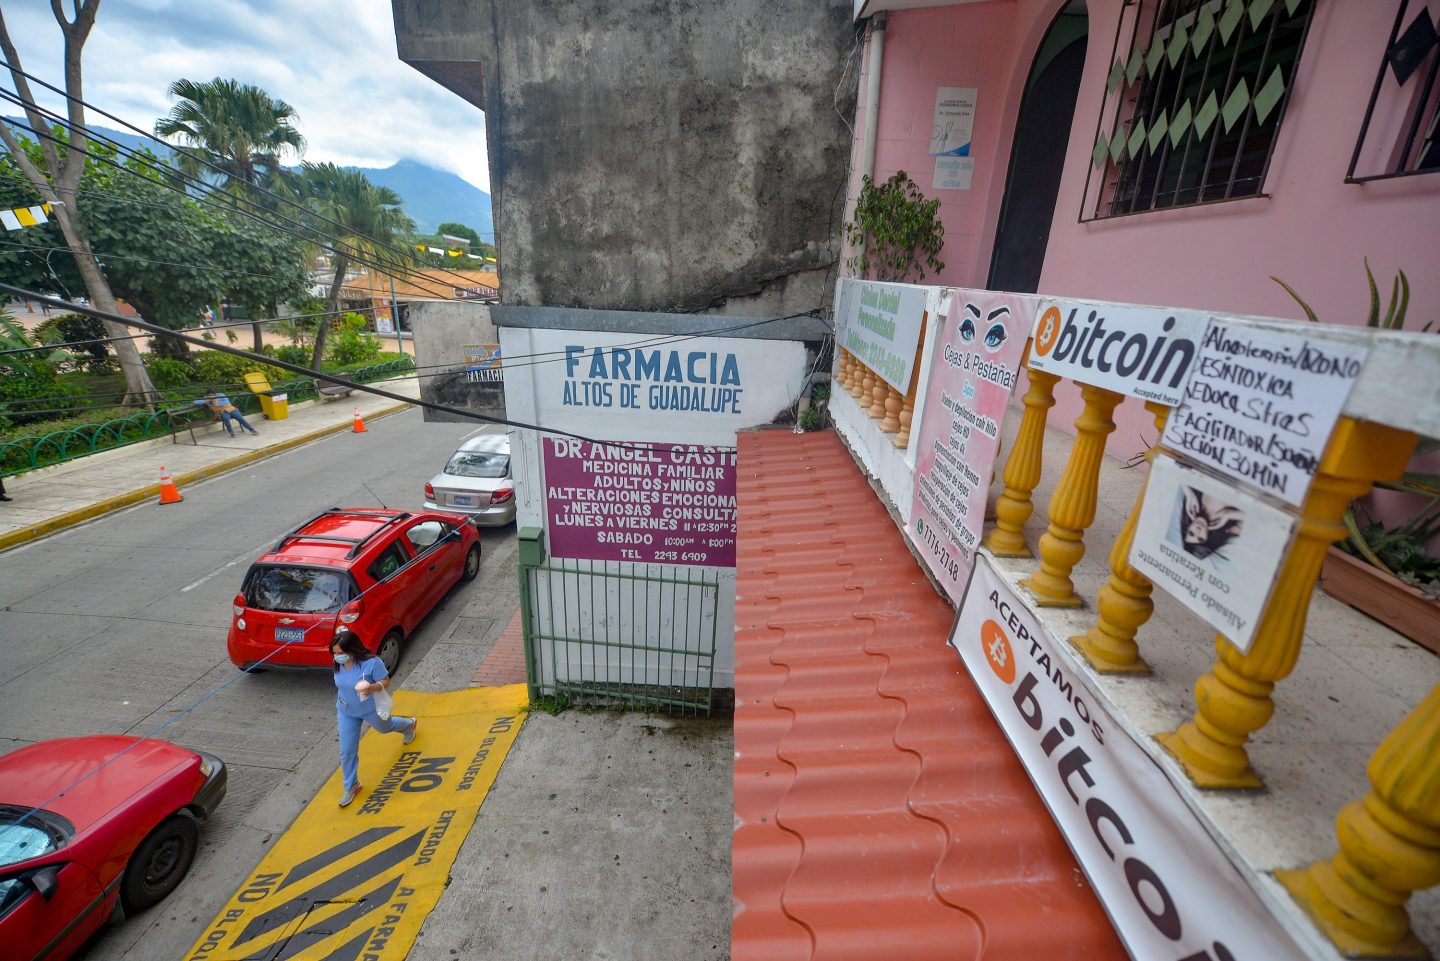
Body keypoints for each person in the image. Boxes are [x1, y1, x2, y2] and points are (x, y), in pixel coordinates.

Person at [331, 631, 418, 807]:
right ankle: (351, 785)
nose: (337, 656)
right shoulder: (338, 663)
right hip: (346, 710)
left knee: (385, 727)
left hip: (369, 708)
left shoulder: (372, 663)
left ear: (353, 649)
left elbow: (385, 681)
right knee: (347, 751)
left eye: (341, 653)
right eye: (334, 653)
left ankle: (408, 725)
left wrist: (371, 687)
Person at [194, 390, 259, 437]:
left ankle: (252, 430)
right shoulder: (207, 398)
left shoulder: (221, 395)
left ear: (215, 394)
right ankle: (231, 432)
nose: (211, 396)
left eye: (212, 395)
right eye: (210, 395)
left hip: (231, 409)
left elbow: (226, 402)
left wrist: (216, 402)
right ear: (207, 395)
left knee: (241, 419)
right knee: (226, 420)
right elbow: (195, 402)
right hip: (222, 412)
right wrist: (206, 401)